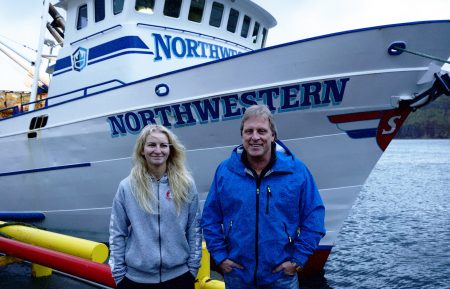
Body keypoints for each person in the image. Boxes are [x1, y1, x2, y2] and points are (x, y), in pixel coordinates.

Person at [201, 104, 326, 289]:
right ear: (242, 135)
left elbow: (314, 218)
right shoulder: (225, 172)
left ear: (273, 136)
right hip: (237, 276)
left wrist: (298, 259)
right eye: (249, 131)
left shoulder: (297, 172)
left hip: (281, 277)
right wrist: (220, 257)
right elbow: (210, 218)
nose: (255, 137)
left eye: (262, 131)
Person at [109, 124, 202, 289]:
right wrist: (119, 275)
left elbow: (194, 228)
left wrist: (192, 269)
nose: (158, 150)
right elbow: (117, 232)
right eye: (152, 145)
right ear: (142, 150)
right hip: (136, 280)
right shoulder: (127, 187)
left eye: (163, 145)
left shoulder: (186, 184)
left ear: (170, 150)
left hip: (180, 277)